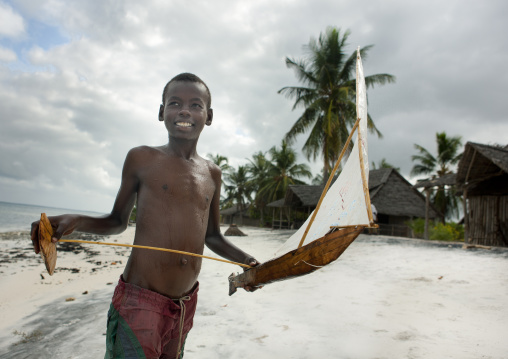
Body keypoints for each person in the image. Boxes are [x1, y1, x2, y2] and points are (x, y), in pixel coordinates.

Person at [30, 73, 259, 359]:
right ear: (161, 112)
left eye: (195, 105)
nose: (185, 110)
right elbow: (116, 221)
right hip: (140, 302)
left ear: (209, 116)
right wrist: (76, 220)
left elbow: (211, 236)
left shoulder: (212, 173)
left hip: (185, 303)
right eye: (175, 103)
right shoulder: (142, 158)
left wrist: (248, 263)